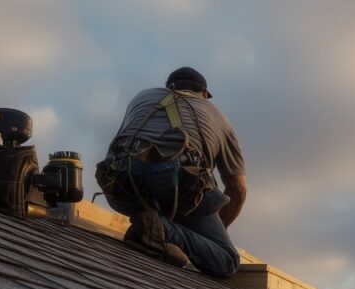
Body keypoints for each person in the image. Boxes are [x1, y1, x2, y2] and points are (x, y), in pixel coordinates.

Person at [96, 67, 246, 277]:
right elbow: (238, 188)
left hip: (122, 183)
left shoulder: (142, 97)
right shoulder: (218, 116)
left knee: (149, 186)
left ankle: (150, 224)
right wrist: (204, 238)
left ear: (169, 87)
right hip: (176, 186)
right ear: (204, 94)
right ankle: (162, 229)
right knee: (227, 260)